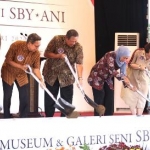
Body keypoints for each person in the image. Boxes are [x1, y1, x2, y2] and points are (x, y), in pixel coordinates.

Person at [1, 33, 44, 118]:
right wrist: (21, 66)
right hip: (8, 72)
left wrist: (41, 80)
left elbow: (36, 68)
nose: (37, 48)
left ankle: (23, 117)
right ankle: (6, 116)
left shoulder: (36, 53)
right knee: (7, 96)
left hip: (21, 74)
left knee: (24, 96)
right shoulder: (16, 45)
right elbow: (8, 60)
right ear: (29, 43)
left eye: (38, 46)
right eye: (36, 46)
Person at [42, 29, 83, 117]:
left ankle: (64, 121)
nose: (74, 43)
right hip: (51, 75)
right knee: (50, 99)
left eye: (76, 41)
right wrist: (58, 56)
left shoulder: (78, 47)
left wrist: (80, 78)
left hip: (67, 77)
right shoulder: (56, 39)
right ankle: (49, 118)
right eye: (72, 41)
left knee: (67, 100)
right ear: (66, 38)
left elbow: (79, 63)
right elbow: (46, 53)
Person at [88, 45, 135, 116]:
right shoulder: (110, 55)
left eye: (127, 58)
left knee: (110, 97)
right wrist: (124, 78)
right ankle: (98, 118)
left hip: (107, 78)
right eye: (124, 57)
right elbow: (112, 70)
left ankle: (109, 117)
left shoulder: (124, 62)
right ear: (120, 54)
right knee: (100, 97)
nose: (125, 59)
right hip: (96, 76)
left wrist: (129, 85)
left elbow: (123, 74)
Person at [121, 43, 150, 115]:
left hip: (144, 80)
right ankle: (133, 116)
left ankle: (139, 116)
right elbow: (130, 63)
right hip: (132, 78)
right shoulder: (138, 52)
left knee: (142, 99)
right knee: (131, 97)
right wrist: (140, 67)